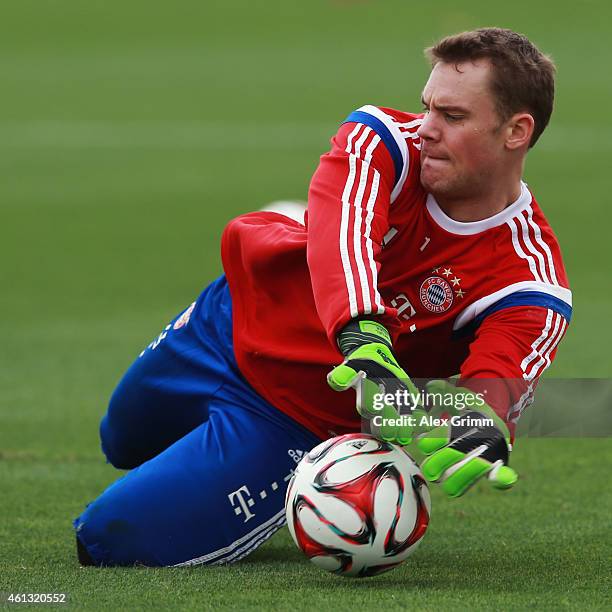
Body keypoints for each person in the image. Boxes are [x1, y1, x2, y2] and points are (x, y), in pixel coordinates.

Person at [74, 27, 572, 567]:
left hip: (294, 417)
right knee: (119, 441)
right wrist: (361, 330)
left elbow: (498, 379)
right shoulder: (380, 139)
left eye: (452, 117)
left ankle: (270, 477)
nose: (425, 128)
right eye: (427, 107)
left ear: (516, 131)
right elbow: (343, 238)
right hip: (224, 321)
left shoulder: (529, 283)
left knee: (105, 540)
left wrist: (479, 423)